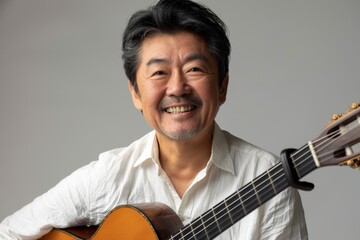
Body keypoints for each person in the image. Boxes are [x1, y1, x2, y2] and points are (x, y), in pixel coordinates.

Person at [0, 0, 308, 239]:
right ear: (135, 93)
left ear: (223, 86)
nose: (177, 88)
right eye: (159, 72)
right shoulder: (108, 177)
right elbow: (8, 232)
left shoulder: (269, 177)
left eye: (195, 69)